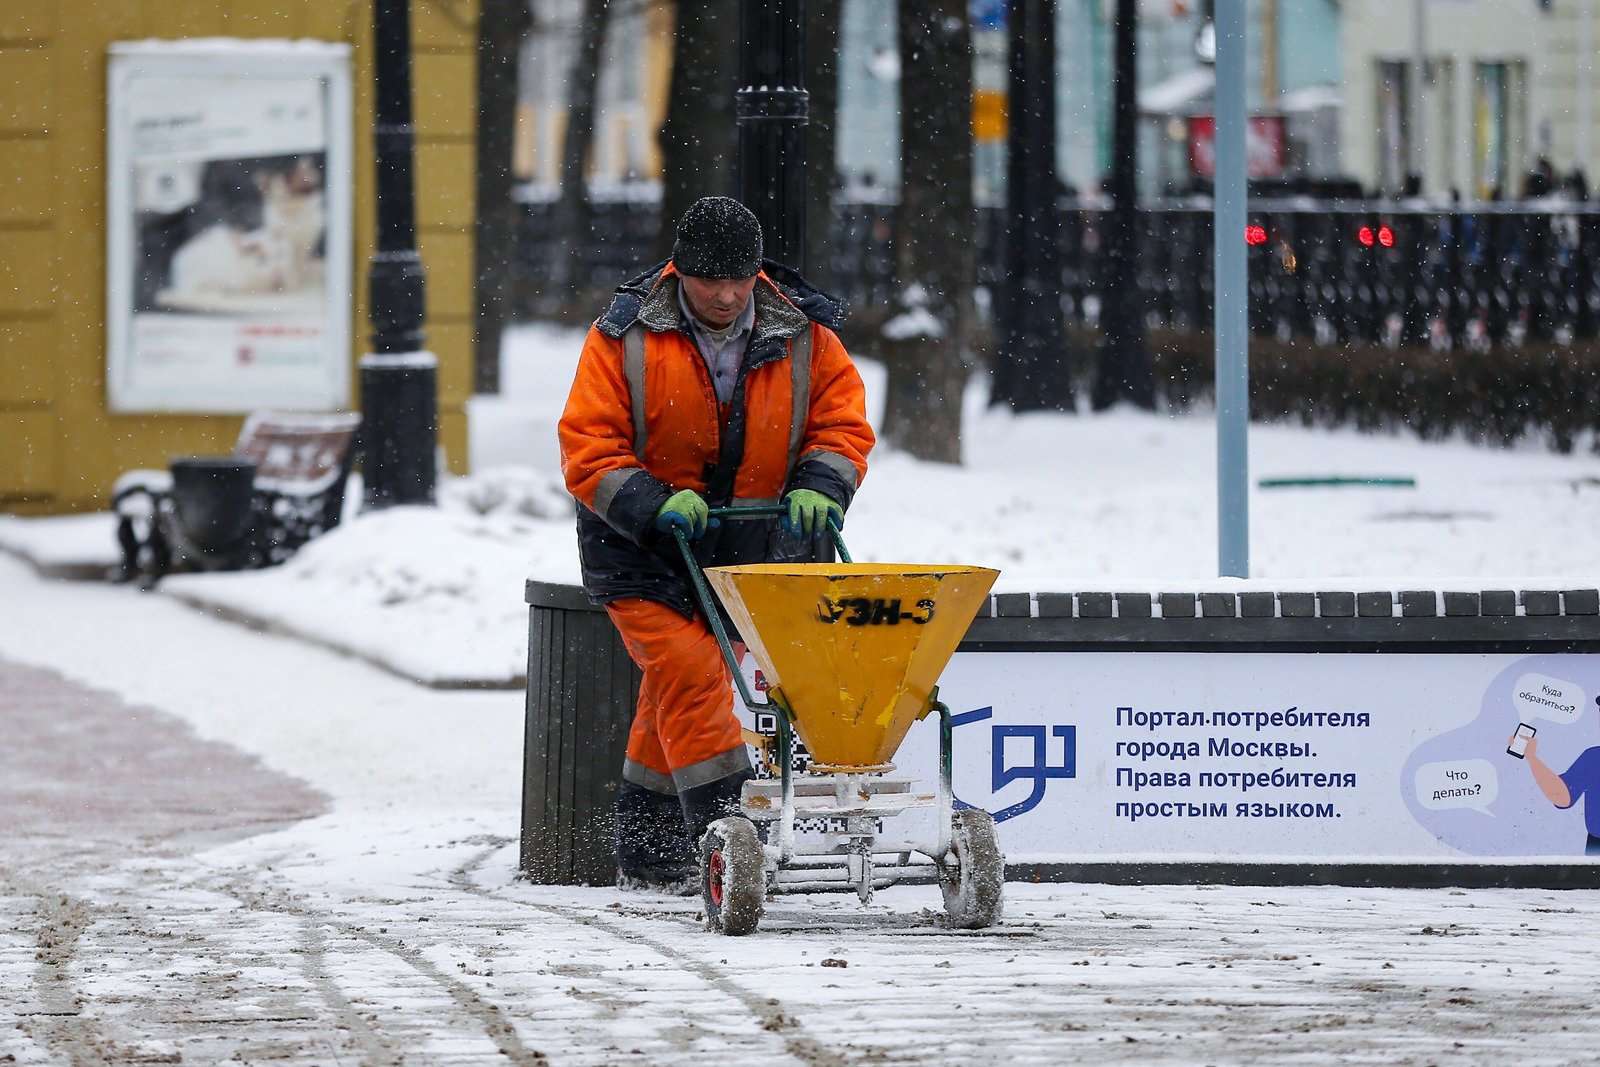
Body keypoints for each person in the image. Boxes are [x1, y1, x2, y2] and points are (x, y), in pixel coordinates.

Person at [558, 196, 876, 890]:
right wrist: (652, 500)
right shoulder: (623, 335)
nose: (729, 295)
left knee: (672, 689)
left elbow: (842, 422)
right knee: (691, 672)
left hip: (746, 553)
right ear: (680, 272)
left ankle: (647, 849)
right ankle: (732, 837)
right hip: (638, 551)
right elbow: (587, 448)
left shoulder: (806, 334)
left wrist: (824, 481)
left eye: (742, 279)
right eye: (711, 282)